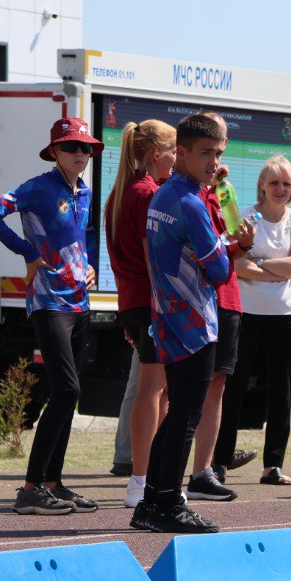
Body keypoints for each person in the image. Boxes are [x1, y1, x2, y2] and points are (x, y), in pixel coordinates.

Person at [129, 113, 254, 534]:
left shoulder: (164, 195)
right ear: (180, 152)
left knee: (178, 412)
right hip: (195, 321)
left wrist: (223, 248)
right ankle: (168, 504)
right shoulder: (190, 202)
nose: (213, 162)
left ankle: (150, 502)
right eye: (205, 153)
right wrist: (238, 246)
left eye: (218, 153)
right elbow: (218, 271)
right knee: (185, 415)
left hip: (167, 316)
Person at [0, 118, 102, 515]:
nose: (80, 154)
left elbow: (87, 234)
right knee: (67, 391)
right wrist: (26, 251)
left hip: (80, 302)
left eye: (85, 148)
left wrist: (91, 264)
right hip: (48, 302)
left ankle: (54, 482)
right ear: (55, 152)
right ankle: (30, 488)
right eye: (71, 147)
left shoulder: (85, 192)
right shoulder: (38, 186)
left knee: (69, 396)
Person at [215, 155, 291, 485]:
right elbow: (237, 265)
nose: (280, 189)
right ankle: (220, 462)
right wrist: (274, 273)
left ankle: (273, 466)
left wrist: (261, 267)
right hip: (246, 313)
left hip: (287, 316)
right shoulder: (245, 218)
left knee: (281, 391)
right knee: (234, 388)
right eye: (274, 183)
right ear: (262, 186)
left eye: (286, 183)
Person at [104, 119, 176, 509]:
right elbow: (155, 257)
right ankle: (142, 481)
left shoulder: (121, 191)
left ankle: (149, 476)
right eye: (173, 152)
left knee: (157, 389)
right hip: (152, 300)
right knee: (153, 389)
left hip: (134, 301)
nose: (176, 159)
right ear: (154, 154)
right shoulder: (148, 193)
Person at [185, 110, 255, 501]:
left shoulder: (223, 190)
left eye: (222, 143)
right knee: (178, 391)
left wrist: (244, 242)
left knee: (217, 387)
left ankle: (203, 473)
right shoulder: (184, 190)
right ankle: (151, 478)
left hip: (227, 297)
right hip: (193, 301)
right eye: (210, 146)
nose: (217, 155)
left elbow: (232, 243)